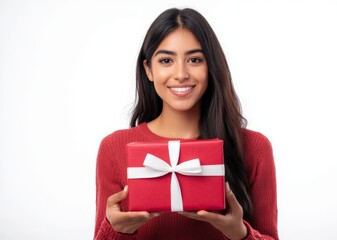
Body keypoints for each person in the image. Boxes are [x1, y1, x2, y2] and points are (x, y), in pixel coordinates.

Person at [94, 7, 278, 240]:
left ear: (211, 67)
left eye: (194, 59)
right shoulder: (114, 147)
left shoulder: (254, 146)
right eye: (166, 60)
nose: (181, 74)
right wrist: (117, 229)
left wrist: (239, 233)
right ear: (148, 70)